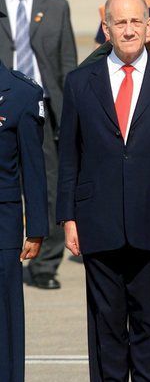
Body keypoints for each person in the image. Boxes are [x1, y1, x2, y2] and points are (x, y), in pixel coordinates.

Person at [57, 0, 150, 381]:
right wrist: (68, 216)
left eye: (137, 22)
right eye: (120, 23)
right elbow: (70, 154)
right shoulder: (81, 82)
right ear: (106, 29)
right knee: (107, 331)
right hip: (98, 224)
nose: (129, 30)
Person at [0, 0, 77, 290]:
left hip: (41, 108)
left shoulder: (56, 7)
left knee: (47, 183)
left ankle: (46, 263)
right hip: (2, 107)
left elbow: (67, 64)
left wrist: (71, 114)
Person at [0, 55, 47, 382]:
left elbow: (33, 167)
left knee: (4, 320)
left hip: (2, 225)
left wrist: (37, 229)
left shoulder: (21, 93)